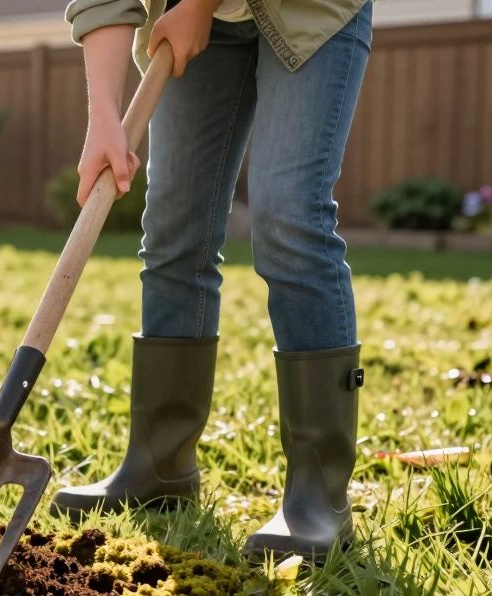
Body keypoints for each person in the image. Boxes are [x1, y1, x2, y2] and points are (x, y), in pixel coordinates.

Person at [51, 0, 372, 562]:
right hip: (194, 22)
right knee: (175, 227)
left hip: (311, 12)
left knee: (289, 219)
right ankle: (160, 464)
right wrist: (102, 115)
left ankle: (319, 496)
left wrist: (199, 3)